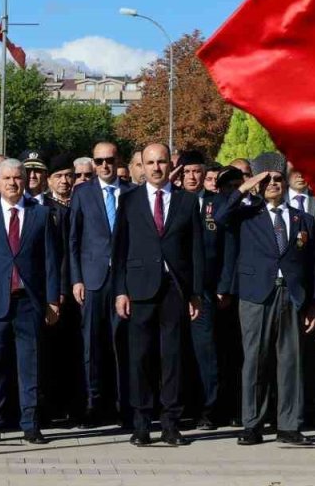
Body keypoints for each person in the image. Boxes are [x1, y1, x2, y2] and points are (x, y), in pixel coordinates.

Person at [217, 152, 315, 446]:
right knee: (255, 361)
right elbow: (222, 216)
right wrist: (245, 187)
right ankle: (252, 424)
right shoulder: (248, 215)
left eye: (277, 179)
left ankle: (289, 424)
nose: (273, 184)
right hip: (256, 295)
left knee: (290, 361)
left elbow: (312, 264)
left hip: (291, 295)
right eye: (267, 180)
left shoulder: (303, 219)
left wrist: (312, 303)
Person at [113, 143, 204, 446]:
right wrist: (120, 291)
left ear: (170, 164)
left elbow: (196, 251)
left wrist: (195, 293)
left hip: (175, 290)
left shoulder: (187, 202)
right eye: (150, 162)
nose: (156, 168)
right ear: (142, 164)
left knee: (172, 358)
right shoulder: (129, 200)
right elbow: (120, 249)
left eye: (161, 162)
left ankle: (171, 424)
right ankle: (141, 424)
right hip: (139, 290)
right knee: (140, 358)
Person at [0, 159, 61, 444]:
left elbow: (51, 261)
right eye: (6, 178)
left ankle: (31, 425)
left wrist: (53, 299)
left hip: (29, 303)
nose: (12, 183)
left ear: (25, 180)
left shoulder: (41, 215)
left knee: (30, 367)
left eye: (17, 178)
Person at [68, 141, 133, 427]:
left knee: (123, 344)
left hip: (124, 280)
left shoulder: (132, 193)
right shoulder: (82, 193)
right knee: (91, 345)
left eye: (109, 160)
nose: (104, 165)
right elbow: (73, 239)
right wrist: (76, 279)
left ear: (118, 161)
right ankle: (93, 404)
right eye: (99, 161)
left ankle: (123, 405)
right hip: (92, 279)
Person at [176, 150, 223, 430]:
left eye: (196, 171)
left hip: (205, 289)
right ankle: (180, 407)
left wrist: (224, 285)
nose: (192, 177)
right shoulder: (172, 203)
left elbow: (228, 247)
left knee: (205, 352)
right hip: (174, 290)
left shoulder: (216, 205)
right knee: (176, 352)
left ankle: (208, 409)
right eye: (187, 172)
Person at [285, 162, 315, 425]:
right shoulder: (275, 201)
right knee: (287, 351)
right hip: (286, 287)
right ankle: (287, 410)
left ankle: (314, 408)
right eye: (295, 169)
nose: (301, 174)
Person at [40, 153, 85, 426]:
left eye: (69, 175)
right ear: (49, 180)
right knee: (51, 352)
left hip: (80, 288)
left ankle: (76, 406)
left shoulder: (81, 204)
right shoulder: (44, 209)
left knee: (77, 351)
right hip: (55, 289)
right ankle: (50, 407)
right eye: (59, 176)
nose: (65, 181)